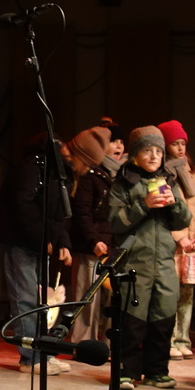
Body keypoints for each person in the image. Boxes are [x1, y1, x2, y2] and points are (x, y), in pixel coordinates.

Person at [107, 126, 191, 389]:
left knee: (163, 318)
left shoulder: (169, 182)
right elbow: (114, 222)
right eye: (147, 150)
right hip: (135, 262)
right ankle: (125, 371)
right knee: (131, 320)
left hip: (164, 262)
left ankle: (157, 371)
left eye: (158, 151)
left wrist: (175, 204)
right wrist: (144, 204)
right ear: (135, 154)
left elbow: (183, 221)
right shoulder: (123, 184)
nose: (154, 156)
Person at [0, 133, 74, 374]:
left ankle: (43, 353)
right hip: (22, 242)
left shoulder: (53, 173)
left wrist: (62, 242)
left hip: (37, 243)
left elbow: (57, 213)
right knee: (25, 299)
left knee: (40, 302)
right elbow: (22, 206)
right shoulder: (30, 169)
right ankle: (31, 358)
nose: (67, 154)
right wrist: (42, 238)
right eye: (63, 150)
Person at [158, 120, 195, 360]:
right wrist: (179, 237)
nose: (180, 148)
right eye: (175, 144)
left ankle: (182, 339)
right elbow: (163, 211)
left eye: (183, 143)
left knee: (187, 295)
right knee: (168, 294)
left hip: (190, 245)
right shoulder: (162, 174)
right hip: (172, 245)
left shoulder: (191, 175)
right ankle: (168, 340)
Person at [67, 126, 115, 345]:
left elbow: (87, 214)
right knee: (89, 297)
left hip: (103, 245)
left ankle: (97, 343)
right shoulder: (92, 178)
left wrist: (99, 240)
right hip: (94, 244)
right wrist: (94, 240)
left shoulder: (98, 178)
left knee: (100, 297)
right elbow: (83, 214)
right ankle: (87, 342)